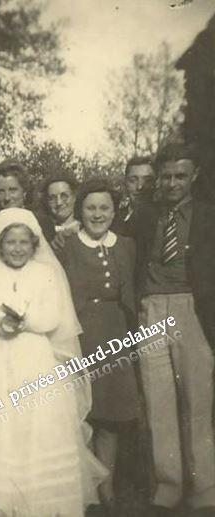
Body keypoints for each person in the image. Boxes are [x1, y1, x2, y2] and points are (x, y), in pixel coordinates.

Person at [0, 207, 108, 517]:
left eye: (24, 242)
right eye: (11, 242)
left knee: (37, 428)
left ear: (35, 245)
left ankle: (41, 505)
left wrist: (25, 321)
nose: (17, 249)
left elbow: (53, 317)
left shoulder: (45, 274)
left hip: (35, 360)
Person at [135, 142, 215, 517]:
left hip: (192, 309)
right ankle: (168, 483)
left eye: (180, 175)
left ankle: (204, 486)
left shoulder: (208, 216)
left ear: (194, 176)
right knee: (159, 400)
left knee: (197, 401)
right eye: (165, 176)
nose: (172, 183)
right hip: (152, 308)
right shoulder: (144, 215)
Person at [59, 179, 140, 513]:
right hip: (81, 334)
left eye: (104, 207)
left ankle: (107, 489)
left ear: (114, 210)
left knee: (112, 417)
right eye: (91, 207)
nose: (97, 214)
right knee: (83, 413)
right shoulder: (67, 247)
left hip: (116, 333)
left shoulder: (127, 245)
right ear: (81, 211)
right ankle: (82, 490)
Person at [0, 159, 55, 241]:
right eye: (1, 191)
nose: (7, 197)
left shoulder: (43, 223)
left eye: (13, 190)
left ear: (24, 190)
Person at [115, 156, 156, 236]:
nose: (140, 187)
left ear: (155, 183)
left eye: (147, 181)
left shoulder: (162, 218)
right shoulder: (115, 217)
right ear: (125, 183)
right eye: (133, 181)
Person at [40, 172, 80, 252]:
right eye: (52, 198)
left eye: (64, 196)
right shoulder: (43, 233)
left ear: (74, 197)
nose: (59, 202)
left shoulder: (86, 229)